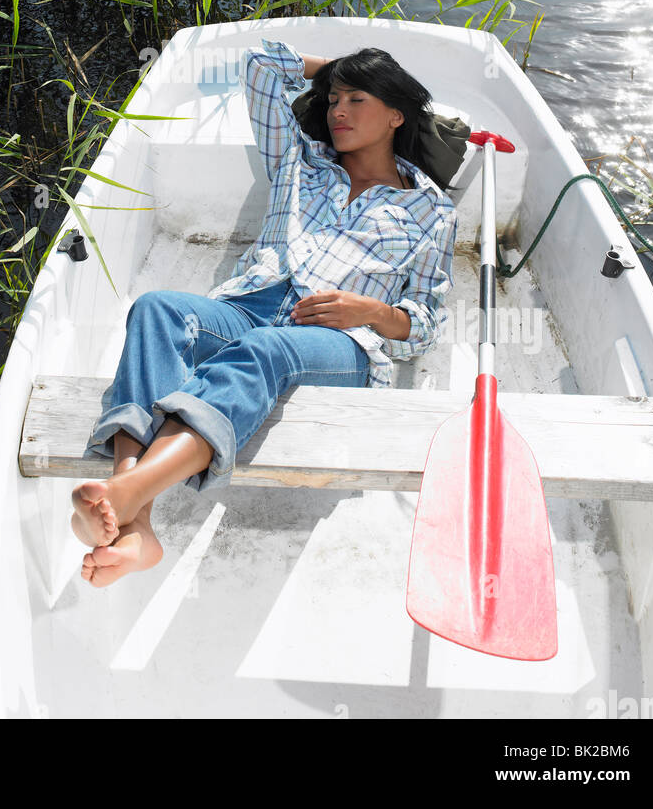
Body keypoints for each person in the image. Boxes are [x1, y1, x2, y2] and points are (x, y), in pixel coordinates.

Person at [70, 37, 458, 586]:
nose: (338, 111)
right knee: (157, 310)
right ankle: (137, 527)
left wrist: (369, 310)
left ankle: (127, 492)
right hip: (253, 304)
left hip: (338, 341)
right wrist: (337, 71)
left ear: (397, 114)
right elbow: (258, 65)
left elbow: (423, 326)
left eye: (358, 100)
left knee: (264, 350)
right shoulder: (300, 162)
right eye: (333, 99)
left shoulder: (431, 211)